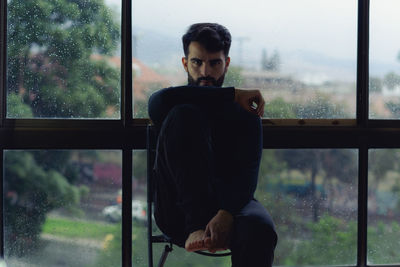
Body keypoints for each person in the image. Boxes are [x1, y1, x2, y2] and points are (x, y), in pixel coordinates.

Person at [148, 23, 277, 267]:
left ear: (226, 64)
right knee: (185, 114)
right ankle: (196, 226)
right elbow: (158, 101)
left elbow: (249, 172)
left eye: (214, 63)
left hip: (230, 202)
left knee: (260, 228)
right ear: (185, 63)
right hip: (178, 210)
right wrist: (233, 93)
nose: (205, 71)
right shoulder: (173, 104)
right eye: (197, 62)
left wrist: (226, 213)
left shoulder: (243, 111)